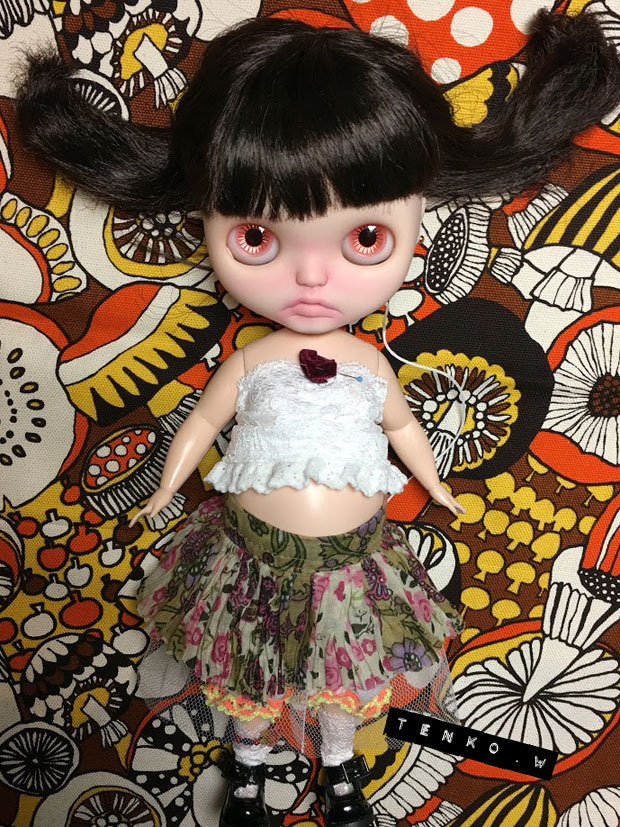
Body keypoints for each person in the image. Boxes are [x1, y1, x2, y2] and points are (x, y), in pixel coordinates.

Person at [16, 11, 620, 827]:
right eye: (256, 236)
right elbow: (200, 426)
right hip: (249, 559)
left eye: (364, 237)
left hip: (351, 564)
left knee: (342, 683)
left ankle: (340, 773)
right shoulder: (254, 361)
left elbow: (403, 428)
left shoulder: (369, 364)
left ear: (414, 217)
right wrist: (162, 487)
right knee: (250, 679)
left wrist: (438, 483)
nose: (310, 275)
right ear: (206, 222)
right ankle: (249, 773)